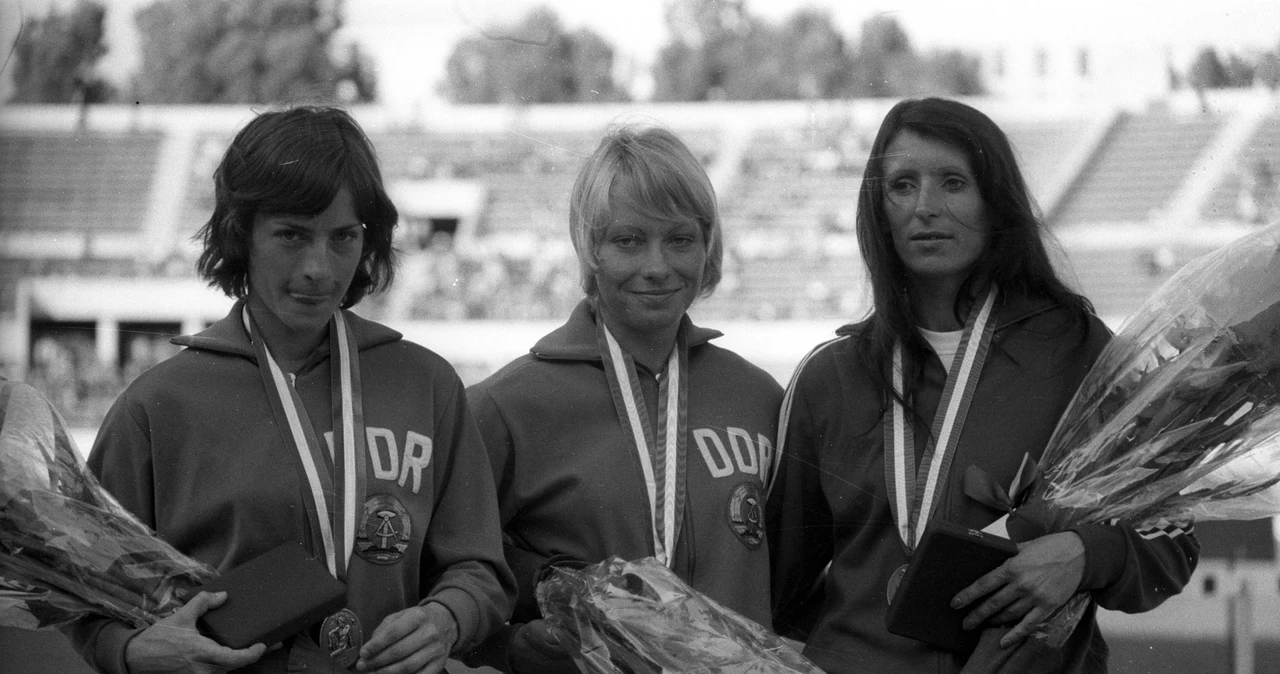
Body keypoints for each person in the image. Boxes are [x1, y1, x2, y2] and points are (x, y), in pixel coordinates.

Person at [63, 106, 515, 674]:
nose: (320, 269)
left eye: (343, 237)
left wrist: (449, 618)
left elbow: (480, 570)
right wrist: (130, 651)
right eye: (291, 235)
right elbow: (85, 594)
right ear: (240, 234)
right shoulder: (155, 408)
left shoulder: (428, 385)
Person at [766, 97, 1200, 673]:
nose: (925, 208)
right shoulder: (831, 378)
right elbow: (771, 587)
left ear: (994, 202)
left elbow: (1171, 538)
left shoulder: (1076, 350)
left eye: (953, 182)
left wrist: (1083, 555)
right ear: (879, 210)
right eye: (902, 185)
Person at [460, 125, 784, 673]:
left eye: (680, 239)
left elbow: (794, 576)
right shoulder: (504, 407)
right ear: (590, 250)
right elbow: (448, 573)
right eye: (628, 240)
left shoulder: (760, 398)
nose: (657, 266)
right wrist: (514, 647)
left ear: (708, 248)